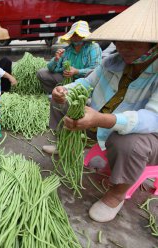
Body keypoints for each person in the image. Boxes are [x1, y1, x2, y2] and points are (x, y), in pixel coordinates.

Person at [46, 0, 158, 223]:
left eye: (133, 43)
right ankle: (64, 144)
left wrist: (104, 119)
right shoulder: (112, 63)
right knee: (61, 102)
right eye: (121, 41)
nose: (124, 48)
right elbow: (87, 84)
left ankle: (116, 194)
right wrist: (64, 90)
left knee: (129, 142)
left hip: (148, 136)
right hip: (103, 120)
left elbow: (153, 118)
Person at [37, 20, 102, 94]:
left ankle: (82, 94)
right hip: (67, 80)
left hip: (85, 80)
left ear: (85, 36)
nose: (76, 38)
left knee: (91, 76)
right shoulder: (67, 50)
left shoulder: (93, 48)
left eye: (79, 35)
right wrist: (56, 59)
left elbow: (96, 70)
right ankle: (55, 93)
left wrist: (77, 71)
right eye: (73, 35)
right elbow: (51, 69)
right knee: (42, 73)